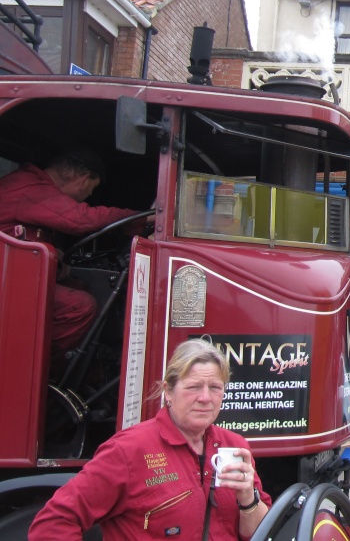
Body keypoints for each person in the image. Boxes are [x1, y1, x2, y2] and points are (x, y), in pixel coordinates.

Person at [29, 338, 271, 540]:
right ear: (168, 391)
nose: (205, 398)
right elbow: (53, 523)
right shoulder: (128, 450)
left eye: (215, 388)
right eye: (193, 387)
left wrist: (248, 498)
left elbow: (259, 533)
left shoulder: (235, 445)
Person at [0, 146, 144, 356]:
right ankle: (44, 369)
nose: (88, 195)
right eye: (91, 189)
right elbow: (79, 219)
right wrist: (139, 218)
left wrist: (54, 255)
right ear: (83, 179)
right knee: (79, 306)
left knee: (79, 286)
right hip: (8, 284)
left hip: (14, 278)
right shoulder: (31, 187)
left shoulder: (30, 187)